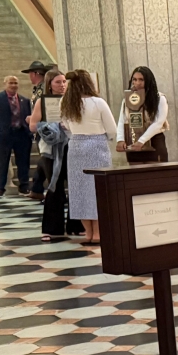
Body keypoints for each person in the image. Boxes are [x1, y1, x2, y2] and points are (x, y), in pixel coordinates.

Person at [60, 70, 116, 246]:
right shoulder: (98, 102)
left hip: (76, 146)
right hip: (97, 145)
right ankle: (99, 233)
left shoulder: (66, 102)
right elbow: (112, 128)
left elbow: (66, 126)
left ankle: (88, 234)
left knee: (79, 191)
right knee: (97, 189)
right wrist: (109, 139)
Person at [28, 70, 83, 242]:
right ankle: (52, 228)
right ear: (50, 84)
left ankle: (76, 225)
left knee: (75, 185)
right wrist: (51, 127)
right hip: (51, 150)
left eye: (64, 82)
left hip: (72, 146)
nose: (62, 85)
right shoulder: (42, 102)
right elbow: (32, 125)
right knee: (55, 186)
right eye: (58, 82)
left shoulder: (73, 100)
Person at [0, 75, 33, 197]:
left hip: (21, 134)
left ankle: (24, 186)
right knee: (2, 162)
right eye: (11, 83)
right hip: (4, 135)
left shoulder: (25, 100)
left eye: (15, 83)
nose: (13, 85)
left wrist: (29, 132)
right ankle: (0, 188)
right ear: (5, 84)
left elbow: (29, 117)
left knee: (23, 162)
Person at [115, 66, 170, 163]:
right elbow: (122, 120)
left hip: (154, 142)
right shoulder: (127, 99)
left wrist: (142, 140)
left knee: (157, 175)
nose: (137, 83)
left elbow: (158, 122)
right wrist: (120, 139)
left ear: (148, 81)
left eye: (141, 80)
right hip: (133, 140)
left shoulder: (159, 98)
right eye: (134, 79)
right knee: (136, 176)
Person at [23, 61, 52, 199]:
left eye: (30, 73)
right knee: (44, 158)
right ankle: (37, 187)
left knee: (46, 158)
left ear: (34, 74)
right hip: (44, 127)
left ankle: (41, 187)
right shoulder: (39, 88)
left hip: (45, 128)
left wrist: (33, 119)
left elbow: (43, 109)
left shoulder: (42, 90)